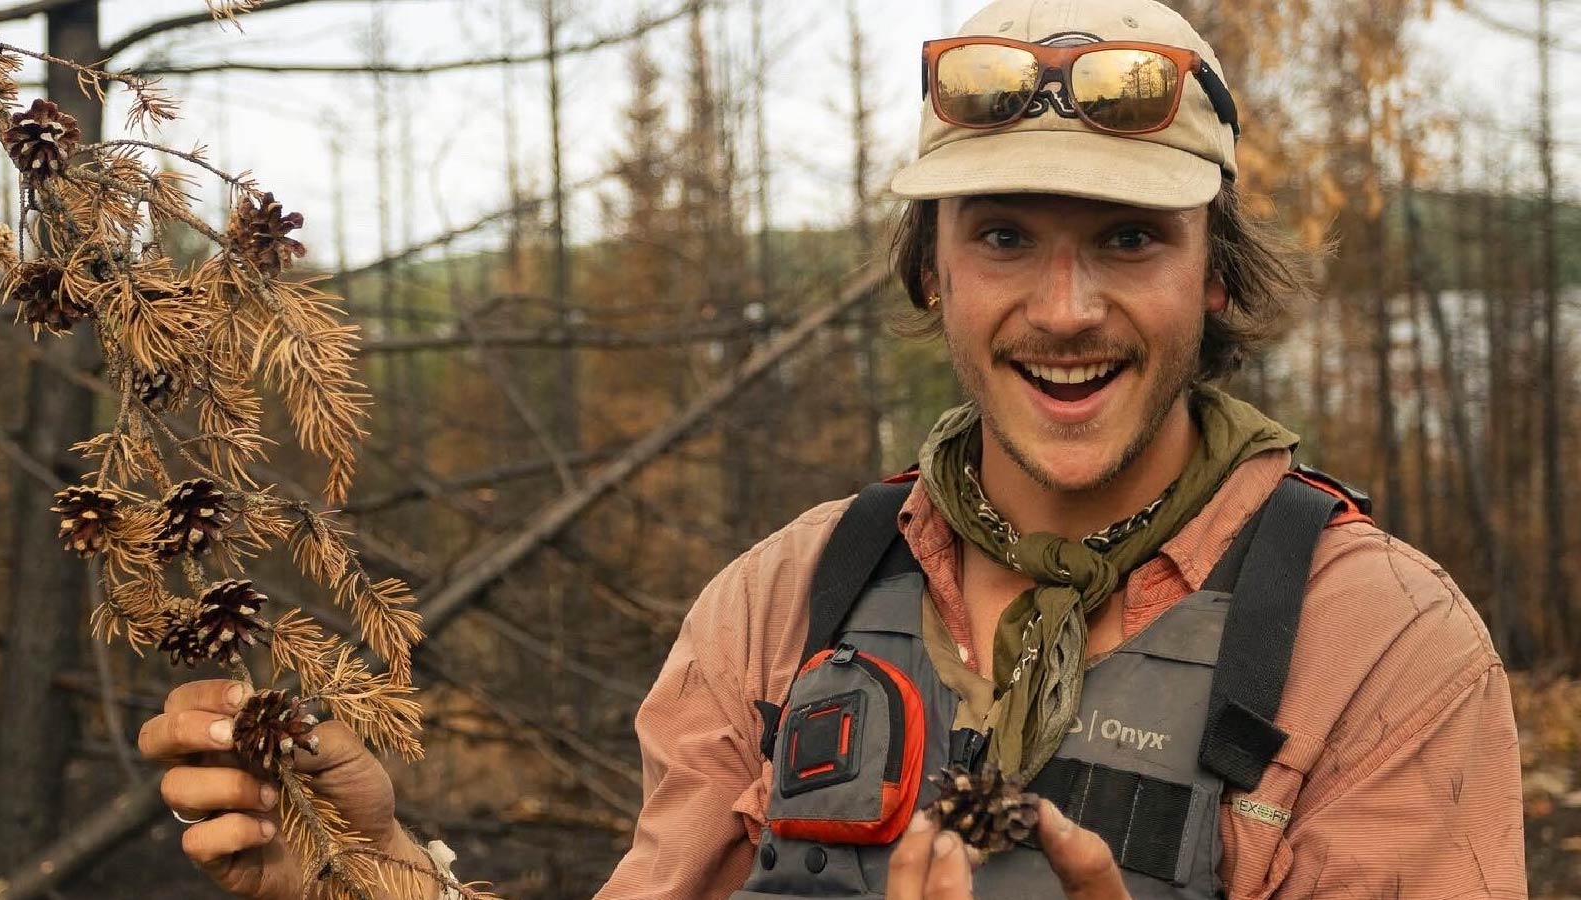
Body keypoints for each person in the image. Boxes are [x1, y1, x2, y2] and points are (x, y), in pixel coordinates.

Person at [138, 0, 1528, 897]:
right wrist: (366, 868)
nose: (1064, 310)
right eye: (1000, 238)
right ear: (928, 274)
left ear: (1215, 276)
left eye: (1129, 239)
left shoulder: (1380, 646)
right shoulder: (788, 601)